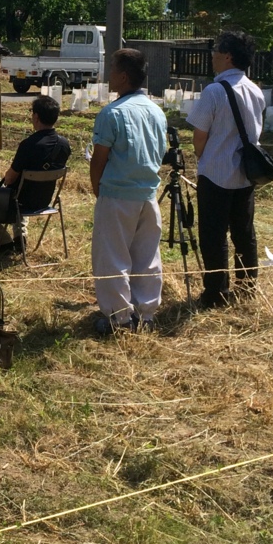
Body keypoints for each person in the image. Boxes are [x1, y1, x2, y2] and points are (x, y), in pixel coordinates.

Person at [88, 48, 168, 334]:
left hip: (118, 194)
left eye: (112, 70)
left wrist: (99, 190)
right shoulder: (157, 111)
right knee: (146, 257)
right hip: (148, 194)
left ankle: (119, 318)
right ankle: (146, 315)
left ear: (122, 76)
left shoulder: (112, 113)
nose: (109, 75)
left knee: (112, 257)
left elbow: (99, 159)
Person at [185, 31, 265, 309]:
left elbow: (199, 136)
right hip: (246, 173)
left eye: (216, 50)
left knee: (213, 235)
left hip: (216, 173)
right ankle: (246, 287)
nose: (212, 55)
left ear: (228, 56)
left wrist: (203, 157)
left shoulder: (214, 91)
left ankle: (216, 293)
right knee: (244, 232)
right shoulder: (255, 90)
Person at [0, 94, 72, 255]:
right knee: (23, 191)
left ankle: (4, 241)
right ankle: (20, 237)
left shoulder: (28, 145)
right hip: (45, 200)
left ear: (36, 117)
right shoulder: (64, 145)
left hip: (20, 201)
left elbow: (10, 178)